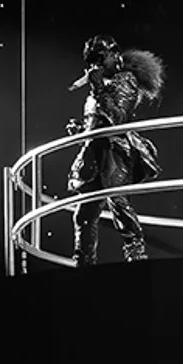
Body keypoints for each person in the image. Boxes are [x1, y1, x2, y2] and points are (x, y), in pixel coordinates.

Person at [65, 35, 164, 265]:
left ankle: (135, 252)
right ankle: (84, 260)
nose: (98, 65)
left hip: (114, 152)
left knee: (117, 201)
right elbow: (98, 122)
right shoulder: (98, 87)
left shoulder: (125, 81)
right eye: (94, 61)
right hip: (93, 154)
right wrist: (81, 129)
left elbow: (118, 118)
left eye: (102, 58)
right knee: (84, 214)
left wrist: (99, 87)